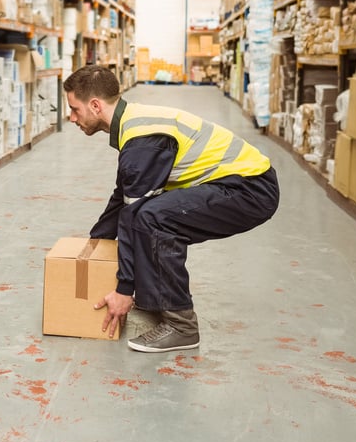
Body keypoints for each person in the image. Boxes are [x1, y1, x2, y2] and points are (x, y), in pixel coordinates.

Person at [62, 65, 279, 353]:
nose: (71, 117)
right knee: (147, 213)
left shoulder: (141, 140)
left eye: (75, 109)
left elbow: (131, 214)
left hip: (249, 189)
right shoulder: (133, 123)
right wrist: (95, 245)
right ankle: (158, 302)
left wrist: (124, 290)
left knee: (152, 218)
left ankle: (182, 326)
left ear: (95, 105)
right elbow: (122, 196)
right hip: (237, 183)